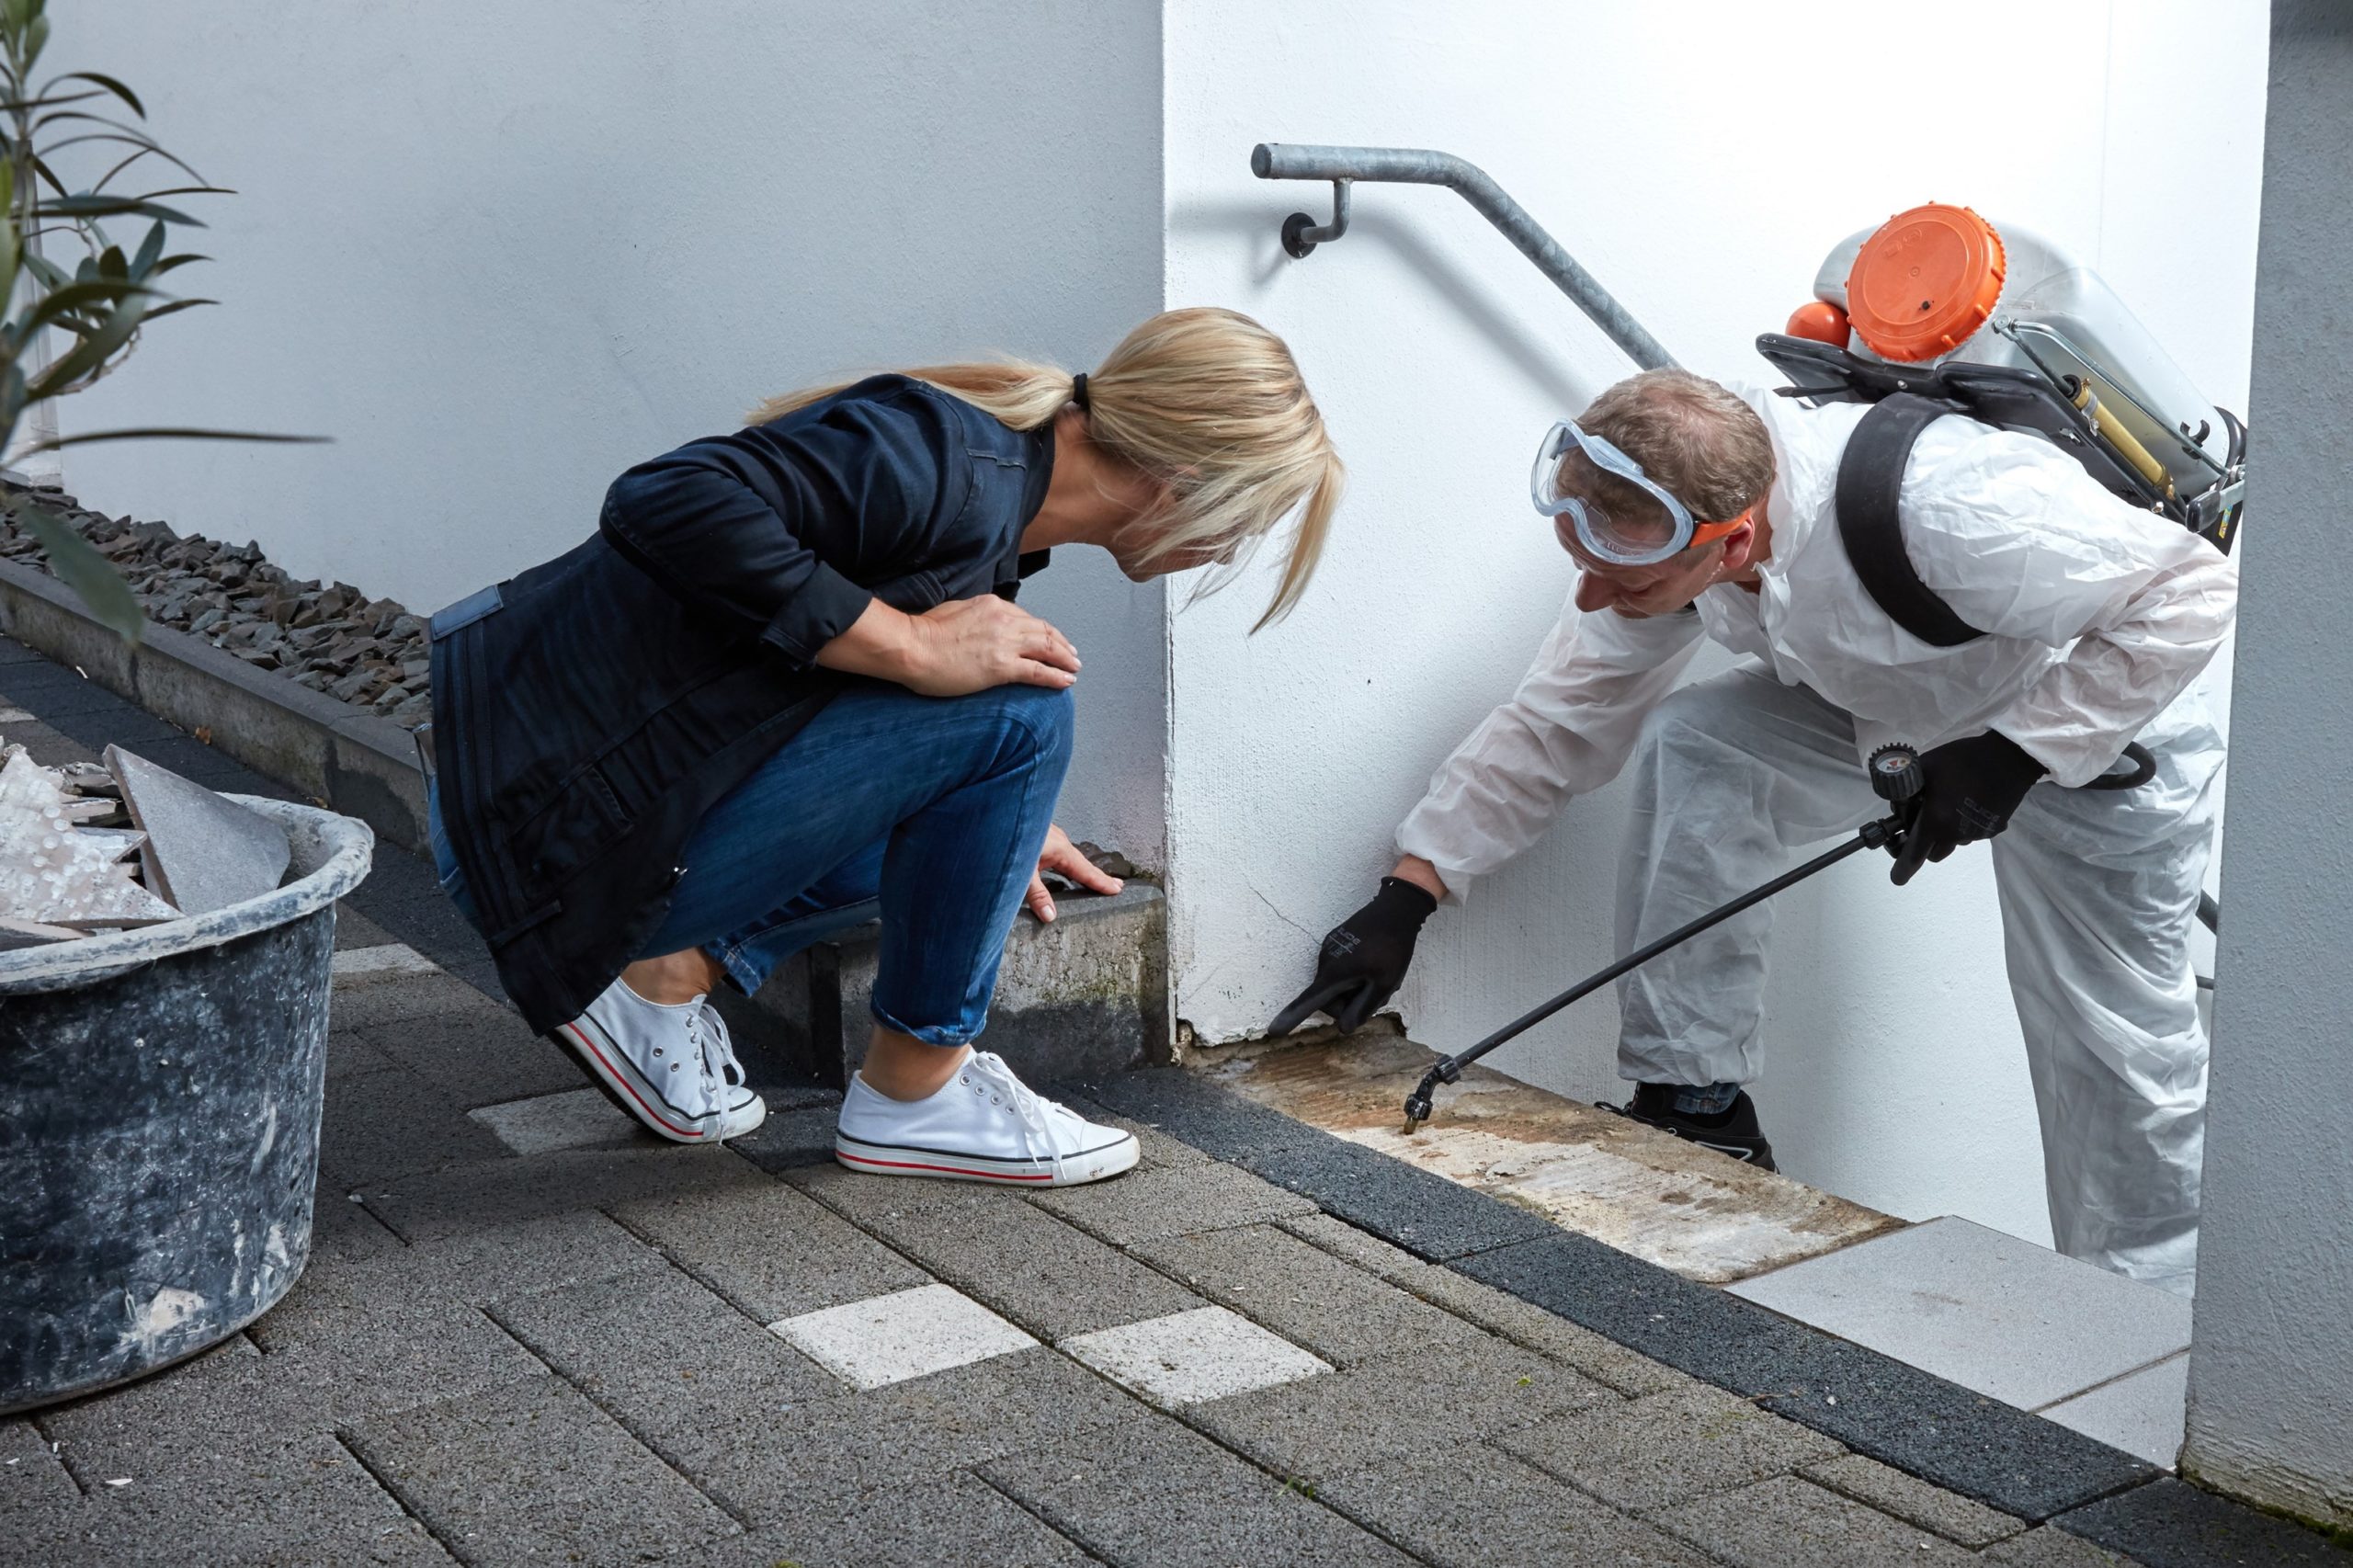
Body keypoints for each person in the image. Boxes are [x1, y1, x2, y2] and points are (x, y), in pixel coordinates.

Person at [1273, 368, 2233, 1293]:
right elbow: (1559, 713)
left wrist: (2018, 751)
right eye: (1584, 570)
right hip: (1902, 707)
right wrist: (1409, 891)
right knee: (1702, 745)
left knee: (2104, 1035)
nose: (1590, 600)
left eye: (1619, 586)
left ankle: (2146, 1311)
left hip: (2107, 732)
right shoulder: (1663, 533)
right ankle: (1696, 1105)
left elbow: (2192, 590)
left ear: (1731, 546)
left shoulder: (1960, 508)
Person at [426, 307, 1344, 1188]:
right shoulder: (939, 459)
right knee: (1025, 713)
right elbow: (663, 498)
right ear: (1183, 478)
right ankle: (917, 1091)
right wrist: (911, 647)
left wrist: (1005, 819)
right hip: (537, 832)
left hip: (558, 813)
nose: (1227, 550)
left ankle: (661, 977)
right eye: (1243, 520)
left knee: (995, 762)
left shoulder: (992, 502)